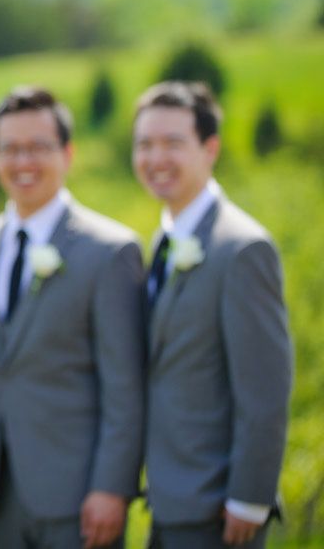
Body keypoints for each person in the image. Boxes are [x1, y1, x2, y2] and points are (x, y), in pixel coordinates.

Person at [0, 86, 144, 549]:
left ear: (67, 153)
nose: (24, 161)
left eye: (39, 147)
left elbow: (125, 384)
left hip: (80, 494)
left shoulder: (109, 251)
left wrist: (112, 487)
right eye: (10, 148)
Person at [132, 81, 292, 549]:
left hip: (220, 508)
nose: (156, 158)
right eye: (144, 144)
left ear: (210, 149)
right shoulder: (163, 240)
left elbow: (265, 389)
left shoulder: (242, 249)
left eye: (172, 143)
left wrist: (249, 498)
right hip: (169, 498)